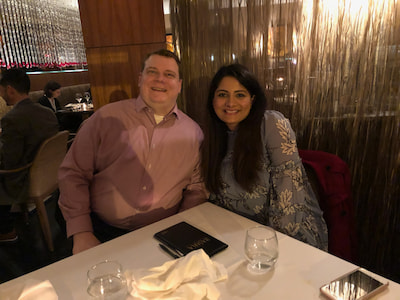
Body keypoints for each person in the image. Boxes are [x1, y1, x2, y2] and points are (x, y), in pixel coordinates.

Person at [58, 49, 207, 254]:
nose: (160, 79)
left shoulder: (194, 133)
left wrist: (183, 226)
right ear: (140, 79)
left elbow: (197, 188)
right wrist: (82, 232)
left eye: (169, 75)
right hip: (100, 232)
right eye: (152, 72)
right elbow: (73, 174)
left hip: (165, 234)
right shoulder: (105, 119)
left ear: (179, 84)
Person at [201, 64, 328, 250]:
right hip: (237, 234)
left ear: (252, 99)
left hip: (288, 238)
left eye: (240, 95)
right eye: (222, 94)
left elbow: (289, 203)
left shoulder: (271, 125)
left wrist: (264, 246)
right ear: (213, 100)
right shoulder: (213, 137)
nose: (230, 102)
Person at [0, 69, 59, 243]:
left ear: (10, 90)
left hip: (27, 180)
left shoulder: (12, 118)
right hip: (50, 176)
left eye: (1, 90)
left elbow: (10, 162)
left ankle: (6, 230)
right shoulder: (47, 112)